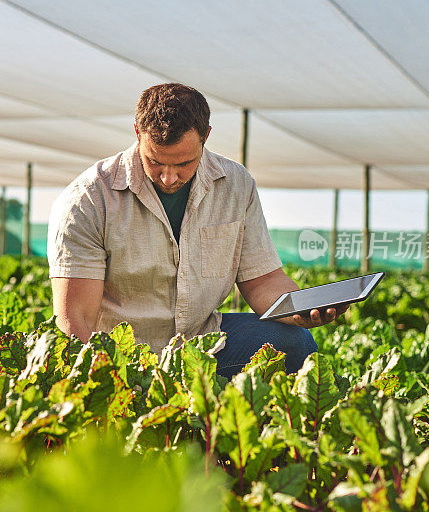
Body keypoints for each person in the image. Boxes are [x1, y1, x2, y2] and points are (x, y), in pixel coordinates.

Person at [47, 83, 346, 379]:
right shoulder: (89, 199)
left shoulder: (235, 185)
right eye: (155, 161)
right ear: (138, 134)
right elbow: (75, 318)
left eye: (184, 163)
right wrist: (102, 387)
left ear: (206, 137)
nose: (168, 177)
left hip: (203, 344)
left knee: (295, 342)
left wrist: (301, 308)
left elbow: (262, 281)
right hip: (125, 358)